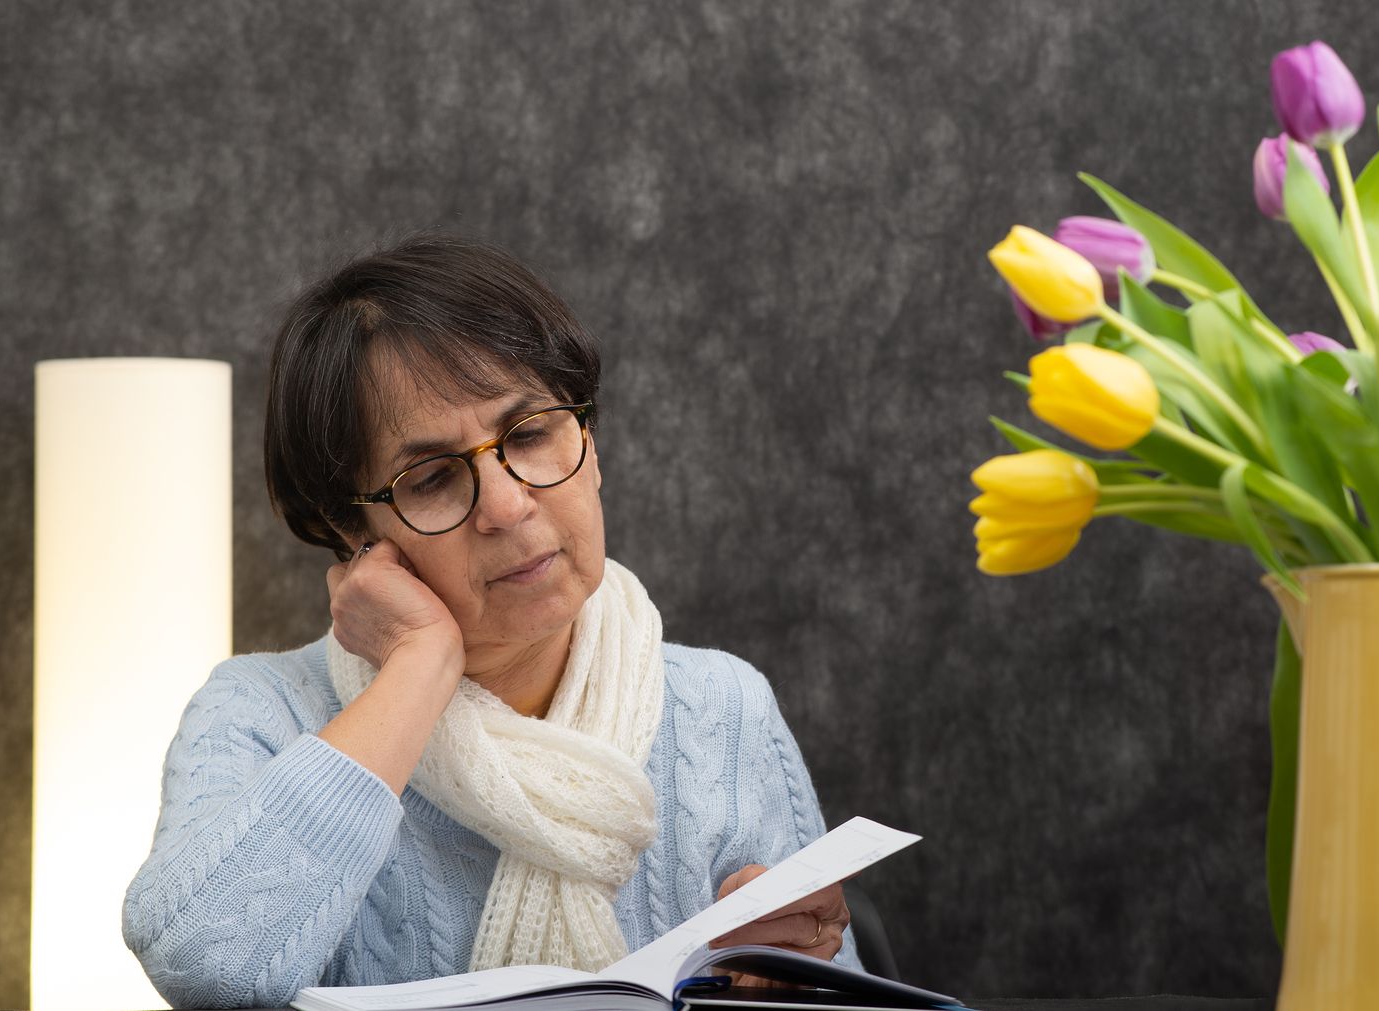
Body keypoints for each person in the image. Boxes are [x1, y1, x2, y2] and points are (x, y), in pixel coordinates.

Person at [122, 234, 857, 1008]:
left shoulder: (723, 707)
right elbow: (205, 966)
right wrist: (419, 666)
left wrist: (806, 964)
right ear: (353, 532)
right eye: (434, 477)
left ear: (591, 443)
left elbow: (836, 989)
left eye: (530, 434)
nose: (508, 506)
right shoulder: (259, 712)